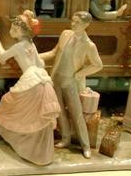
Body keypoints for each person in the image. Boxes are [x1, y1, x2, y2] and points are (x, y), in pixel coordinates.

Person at [0, 10, 60, 166]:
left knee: (8, 103)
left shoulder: (19, 46)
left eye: (13, 29)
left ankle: (26, 146)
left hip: (31, 79)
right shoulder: (31, 44)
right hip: (42, 78)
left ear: (19, 31)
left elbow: (1, 57)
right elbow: (41, 64)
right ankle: (41, 153)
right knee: (36, 116)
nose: (11, 31)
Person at [39, 11, 102, 159]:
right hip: (56, 79)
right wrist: (36, 56)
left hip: (71, 82)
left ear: (86, 25)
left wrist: (79, 74)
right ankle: (65, 139)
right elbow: (54, 52)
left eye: (77, 22)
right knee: (59, 111)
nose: (73, 24)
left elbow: (98, 65)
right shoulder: (65, 34)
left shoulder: (89, 45)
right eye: (73, 21)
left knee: (77, 114)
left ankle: (85, 145)